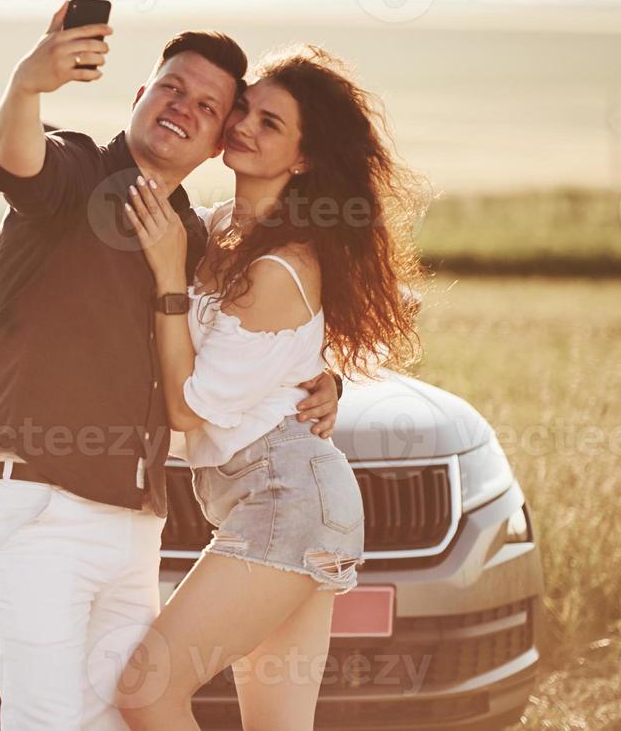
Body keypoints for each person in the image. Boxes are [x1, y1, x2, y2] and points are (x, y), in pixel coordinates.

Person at [0, 3, 342, 731]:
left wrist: (321, 377)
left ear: (214, 144)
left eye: (207, 107)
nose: (183, 109)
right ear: (139, 97)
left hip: (135, 524)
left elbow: (234, 350)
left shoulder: (196, 238)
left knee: (119, 717)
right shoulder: (75, 175)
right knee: (45, 720)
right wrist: (26, 84)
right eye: (171, 89)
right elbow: (19, 157)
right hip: (39, 508)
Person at [116, 45, 427, 731]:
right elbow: (281, 355)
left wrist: (170, 280)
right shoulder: (218, 229)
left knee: (145, 691)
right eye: (245, 110)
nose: (243, 126)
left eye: (270, 124)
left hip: (287, 501)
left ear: (303, 158)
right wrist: (324, 380)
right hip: (282, 499)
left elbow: (183, 407)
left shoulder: (278, 269)